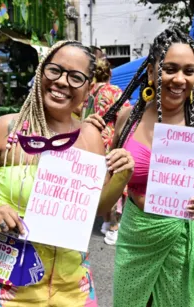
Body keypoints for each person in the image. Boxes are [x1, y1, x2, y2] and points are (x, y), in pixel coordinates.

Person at [0, 40, 133, 307]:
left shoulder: (90, 137)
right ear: (42, 72)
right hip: (5, 285)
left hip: (71, 285)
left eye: (75, 77)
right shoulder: (9, 129)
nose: (62, 82)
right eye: (55, 70)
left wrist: (121, 175)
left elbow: (97, 210)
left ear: (88, 88)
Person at [85, 26, 194, 307]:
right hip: (137, 239)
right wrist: (91, 143)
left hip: (188, 243)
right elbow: (102, 194)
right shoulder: (127, 118)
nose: (179, 79)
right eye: (170, 69)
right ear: (152, 71)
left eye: (188, 71)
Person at [83, 58, 131, 245]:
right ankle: (113, 226)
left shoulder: (91, 93)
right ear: (109, 74)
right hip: (110, 139)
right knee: (114, 182)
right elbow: (126, 115)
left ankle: (104, 221)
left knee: (98, 182)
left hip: (92, 138)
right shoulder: (114, 91)